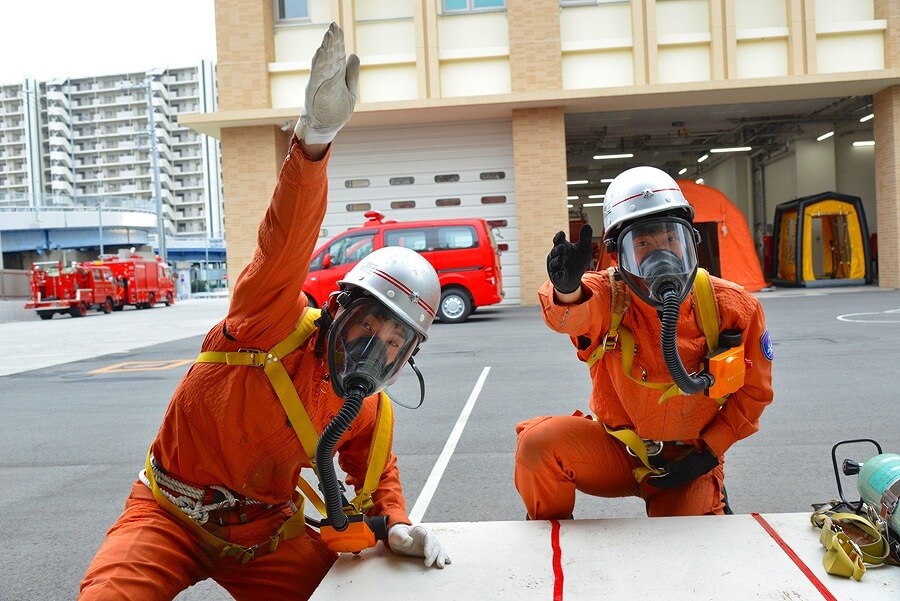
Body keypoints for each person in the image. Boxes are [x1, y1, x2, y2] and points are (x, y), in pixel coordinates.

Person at [80, 23, 449, 601]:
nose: (370, 349)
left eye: (391, 342)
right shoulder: (269, 321)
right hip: (168, 514)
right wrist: (315, 141)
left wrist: (397, 523)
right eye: (365, 324)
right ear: (336, 310)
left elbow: (376, 475)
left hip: (263, 538)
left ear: (408, 356)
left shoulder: (362, 408)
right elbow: (286, 241)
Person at [514, 166, 773, 519]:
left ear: (691, 242)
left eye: (671, 239)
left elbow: (754, 392)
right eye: (643, 244)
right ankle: (549, 543)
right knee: (539, 445)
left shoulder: (731, 306)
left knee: (683, 553)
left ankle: (706, 495)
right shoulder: (609, 296)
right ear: (618, 256)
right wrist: (567, 288)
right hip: (617, 450)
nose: (660, 254)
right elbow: (568, 316)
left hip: (686, 462)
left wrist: (709, 454)